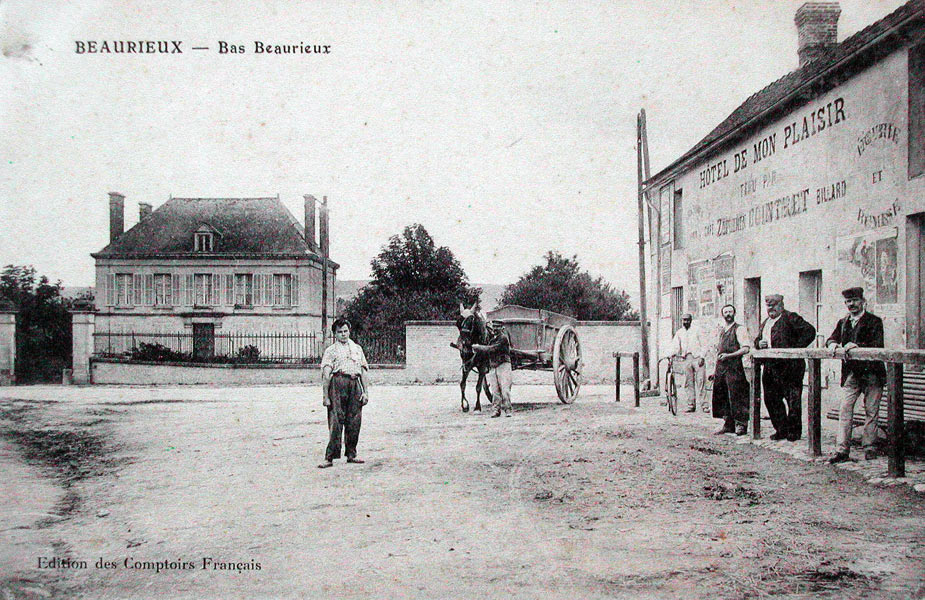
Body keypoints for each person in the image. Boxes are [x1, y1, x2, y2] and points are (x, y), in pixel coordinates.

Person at [826, 287, 886, 464]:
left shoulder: (874, 321)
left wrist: (857, 346)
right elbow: (831, 339)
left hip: (872, 373)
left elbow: (877, 344)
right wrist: (833, 345)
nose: (851, 304)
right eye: (848, 301)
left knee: (871, 410)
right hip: (852, 374)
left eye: (854, 301)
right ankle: (842, 449)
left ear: (862, 301)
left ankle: (869, 447)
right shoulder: (843, 322)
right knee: (845, 409)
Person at [754, 294, 816, 441]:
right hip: (770, 367)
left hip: (790, 368)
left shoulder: (790, 318)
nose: (771, 308)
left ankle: (794, 432)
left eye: (774, 305)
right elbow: (758, 339)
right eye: (769, 306)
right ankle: (781, 429)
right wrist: (759, 343)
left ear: (781, 305)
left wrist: (794, 350)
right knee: (771, 400)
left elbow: (810, 332)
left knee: (792, 400)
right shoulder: (766, 322)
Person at [318, 318, 370, 468]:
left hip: (355, 384)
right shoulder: (331, 350)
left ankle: (352, 454)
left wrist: (365, 392)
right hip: (338, 383)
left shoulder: (357, 349)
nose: (343, 334)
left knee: (354, 420)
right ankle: (329, 457)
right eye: (340, 332)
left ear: (349, 331)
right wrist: (325, 396)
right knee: (336, 420)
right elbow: (326, 373)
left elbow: (363, 371)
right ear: (335, 334)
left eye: (345, 331)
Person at [711, 304, 751, 436]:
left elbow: (746, 348)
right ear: (723, 315)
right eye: (726, 312)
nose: (728, 314)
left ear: (734, 313)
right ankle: (728, 424)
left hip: (734, 367)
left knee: (737, 395)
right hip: (721, 368)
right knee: (722, 395)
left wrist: (729, 356)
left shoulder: (739, 329)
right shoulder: (722, 331)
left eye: (730, 312)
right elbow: (718, 350)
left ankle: (741, 425)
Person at [472, 319, 513, 418]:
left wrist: (479, 347)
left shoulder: (503, 338)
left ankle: (508, 410)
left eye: (498, 327)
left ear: (502, 328)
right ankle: (496, 411)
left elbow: (492, 349)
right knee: (495, 391)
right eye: (494, 326)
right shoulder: (492, 339)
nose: (495, 329)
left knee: (505, 390)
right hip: (493, 366)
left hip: (503, 366)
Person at [669, 313, 706, 413]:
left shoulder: (697, 330)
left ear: (691, 320)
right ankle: (691, 405)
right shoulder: (679, 333)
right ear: (682, 321)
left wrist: (702, 357)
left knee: (701, 381)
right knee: (688, 382)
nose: (686, 322)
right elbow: (675, 346)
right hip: (686, 359)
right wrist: (672, 354)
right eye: (684, 320)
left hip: (697, 358)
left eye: (688, 320)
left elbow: (704, 344)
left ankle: (704, 405)